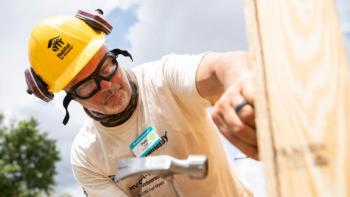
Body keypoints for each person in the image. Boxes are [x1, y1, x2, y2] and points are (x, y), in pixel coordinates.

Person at [25, 10, 257, 197]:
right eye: (86, 85)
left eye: (106, 66)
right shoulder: (87, 157)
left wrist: (243, 80)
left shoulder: (164, 80)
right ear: (71, 97)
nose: (107, 85)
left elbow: (221, 66)